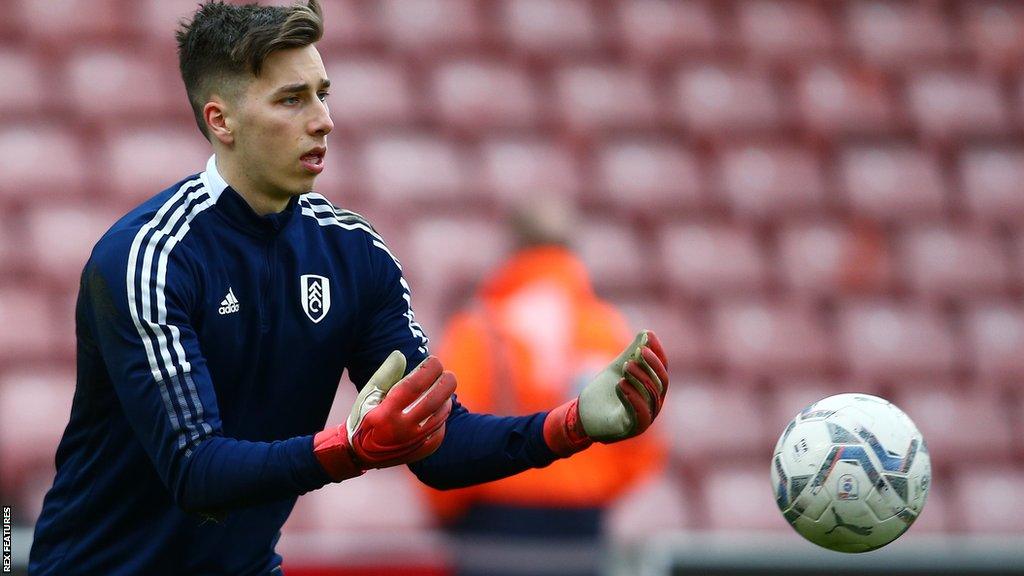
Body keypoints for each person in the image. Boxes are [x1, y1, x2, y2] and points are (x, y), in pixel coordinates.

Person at [28, 2, 669, 575]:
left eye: (323, 93)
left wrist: (570, 423)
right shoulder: (149, 257)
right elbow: (197, 472)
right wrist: (347, 448)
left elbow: (440, 449)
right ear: (220, 120)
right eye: (292, 99)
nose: (325, 120)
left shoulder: (353, 253)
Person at [425, 200, 666, 576]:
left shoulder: (479, 328)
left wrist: (449, 513)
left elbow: (441, 434)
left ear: (513, 250)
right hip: (581, 533)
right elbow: (641, 442)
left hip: (492, 531)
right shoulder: (610, 332)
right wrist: (592, 489)